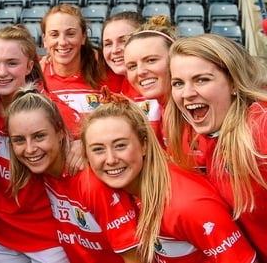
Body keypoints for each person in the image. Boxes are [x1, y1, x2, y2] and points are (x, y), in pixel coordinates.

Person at [82, 91, 257, 263]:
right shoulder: (117, 188)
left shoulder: (186, 204)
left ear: (144, 144)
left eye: (120, 145)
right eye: (98, 149)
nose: (111, 160)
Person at [6, 87, 140, 263]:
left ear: (60, 132)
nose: (30, 149)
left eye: (39, 136)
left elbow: (135, 257)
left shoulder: (91, 183)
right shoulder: (46, 172)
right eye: (19, 140)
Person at [166, 34, 267, 261]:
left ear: (232, 82)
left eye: (202, 79)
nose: (187, 93)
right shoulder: (211, 136)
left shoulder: (261, 127)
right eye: (178, 83)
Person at [0, 25, 69, 263]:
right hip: (3, 234)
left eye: (12, 63)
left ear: (29, 66)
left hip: (51, 238)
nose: (1, 72)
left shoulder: (52, 109)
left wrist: (81, 145)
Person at [41, 4, 109, 137]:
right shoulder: (35, 76)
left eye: (70, 34)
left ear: (83, 37)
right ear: (45, 40)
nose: (62, 42)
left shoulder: (105, 74)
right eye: (54, 35)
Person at [122, 14, 178, 146]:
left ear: (175, 58)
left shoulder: (197, 111)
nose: (140, 71)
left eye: (151, 60)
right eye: (132, 66)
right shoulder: (165, 110)